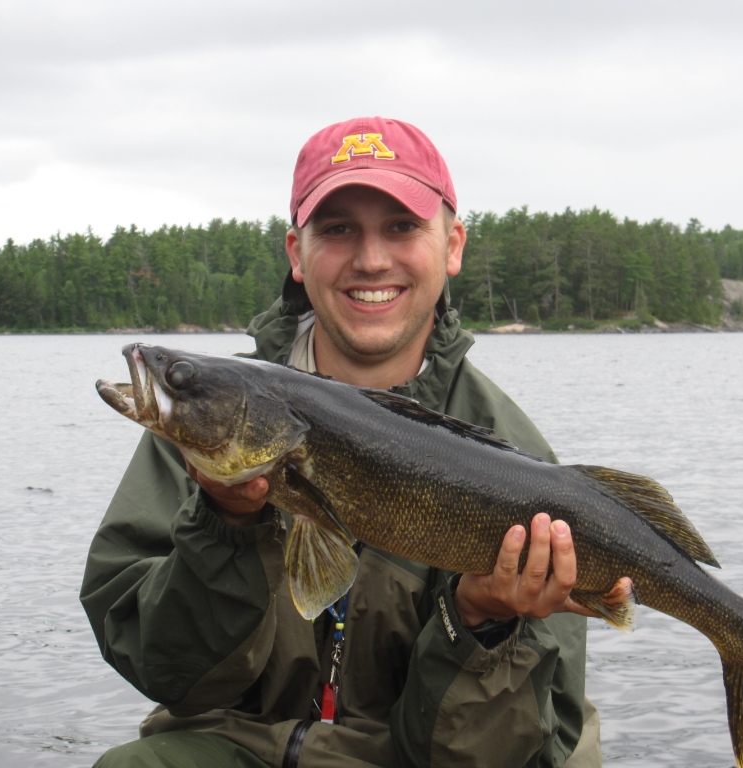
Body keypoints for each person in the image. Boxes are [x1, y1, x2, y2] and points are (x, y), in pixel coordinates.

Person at [80, 117, 601, 767]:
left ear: (453, 245)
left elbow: (539, 747)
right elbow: (165, 670)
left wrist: (485, 622)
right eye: (338, 229)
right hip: (239, 745)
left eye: (402, 227)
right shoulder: (205, 429)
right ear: (297, 254)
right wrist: (225, 524)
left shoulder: (515, 454)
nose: (372, 258)